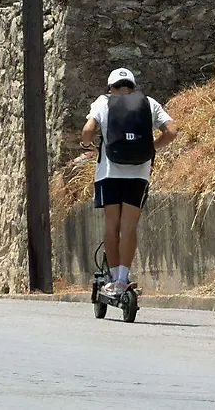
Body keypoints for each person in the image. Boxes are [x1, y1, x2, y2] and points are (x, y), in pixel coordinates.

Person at [81, 68, 177, 297]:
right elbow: (172, 131)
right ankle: (124, 279)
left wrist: (88, 145)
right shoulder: (149, 103)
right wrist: (150, 147)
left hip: (109, 173)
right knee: (129, 227)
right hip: (139, 173)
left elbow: (87, 131)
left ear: (111, 87)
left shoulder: (103, 102)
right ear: (132, 86)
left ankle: (112, 281)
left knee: (112, 226)